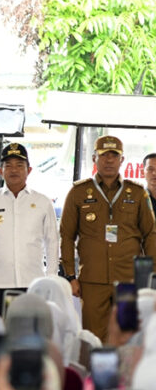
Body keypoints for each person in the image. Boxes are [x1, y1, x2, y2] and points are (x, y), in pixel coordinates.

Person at [60, 135, 156, 342]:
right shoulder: (78, 192)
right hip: (92, 280)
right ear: (94, 158)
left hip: (129, 280)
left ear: (122, 160)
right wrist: (70, 276)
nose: (109, 160)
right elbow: (66, 236)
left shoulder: (138, 193)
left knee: (127, 336)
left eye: (114, 155)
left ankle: (123, 365)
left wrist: (151, 275)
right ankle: (95, 365)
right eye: (104, 155)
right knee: (93, 338)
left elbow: (150, 235)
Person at [0, 143, 59, 315]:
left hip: (33, 283)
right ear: (0, 171)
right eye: (8, 165)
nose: (14, 170)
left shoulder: (42, 202)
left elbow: (52, 242)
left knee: (31, 330)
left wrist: (51, 277)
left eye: (19, 165)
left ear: (29, 170)